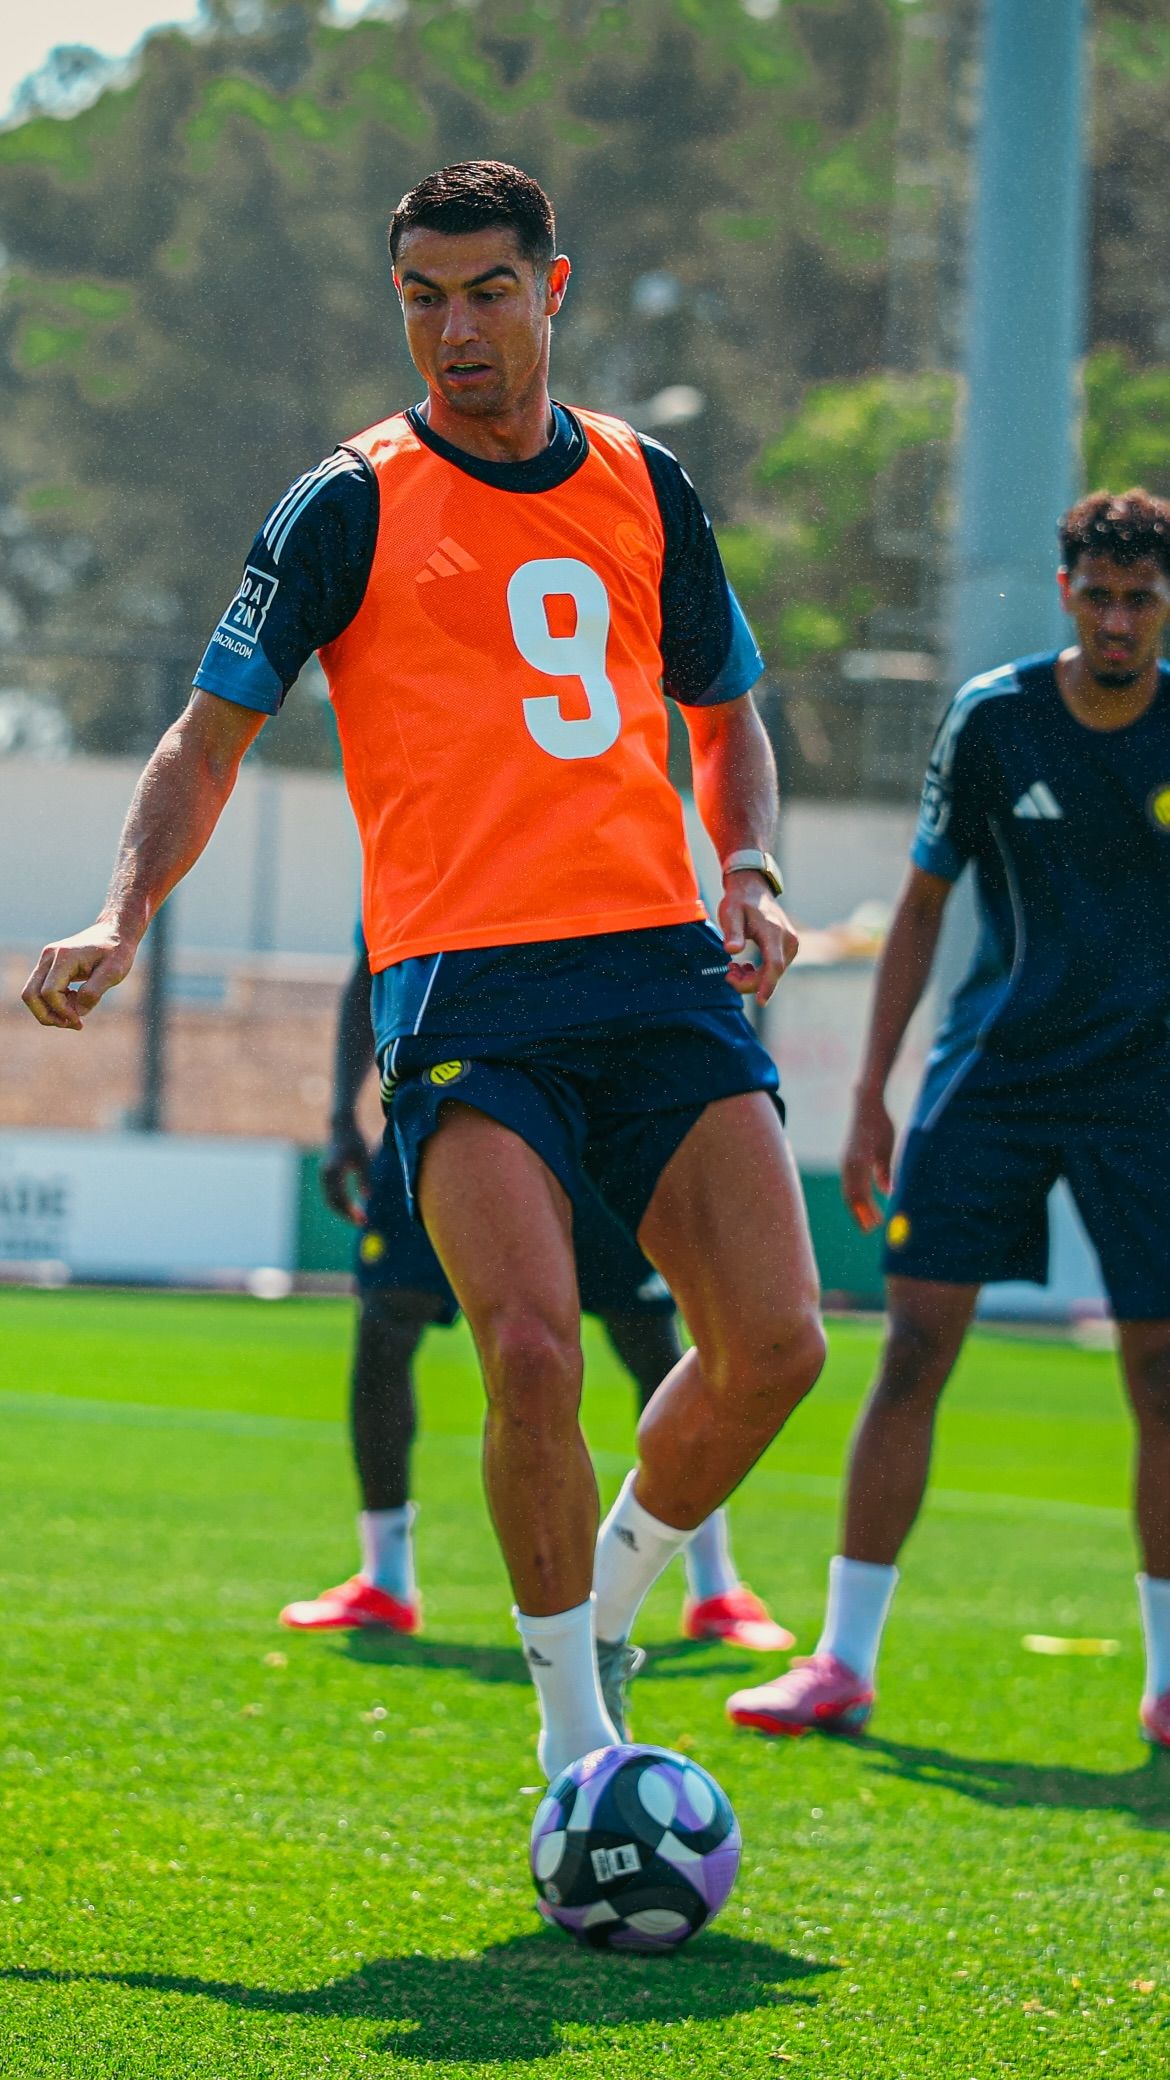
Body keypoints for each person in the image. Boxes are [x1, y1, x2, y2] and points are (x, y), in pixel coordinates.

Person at [24, 159, 825, 1779]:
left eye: (487, 293)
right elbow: (206, 735)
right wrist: (124, 911)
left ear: (555, 288)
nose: (454, 332)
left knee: (779, 1349)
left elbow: (728, 714)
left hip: (661, 970)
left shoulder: (647, 484)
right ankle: (577, 1755)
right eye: (421, 299)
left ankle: (609, 1591)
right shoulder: (344, 503)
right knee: (527, 1350)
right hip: (466, 986)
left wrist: (747, 867)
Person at [727, 489, 1170, 1753]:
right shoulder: (995, 718)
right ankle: (843, 1661)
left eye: (1142, 599)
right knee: (914, 1350)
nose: (1119, 620)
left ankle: (1169, 1680)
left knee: (1164, 1376)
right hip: (996, 1076)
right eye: (1100, 596)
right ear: (1067, 588)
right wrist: (873, 1093)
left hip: (1148, 1091)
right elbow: (921, 907)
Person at [280, 940, 794, 1654]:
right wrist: (343, 1116)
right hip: (451, 1079)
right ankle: (385, 1577)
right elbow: (368, 960)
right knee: (386, 1322)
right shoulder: (410, 834)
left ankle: (714, 1585)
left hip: (592, 1094)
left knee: (652, 1338)